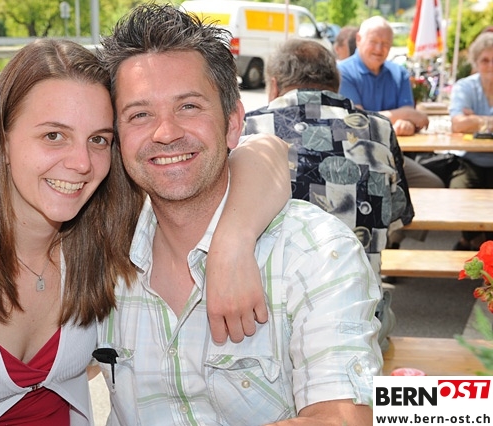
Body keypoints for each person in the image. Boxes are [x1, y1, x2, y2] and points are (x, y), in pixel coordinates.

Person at [0, 38, 291, 424]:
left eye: (99, 139)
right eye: (54, 135)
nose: (82, 163)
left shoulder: (107, 236)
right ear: (2, 139)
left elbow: (267, 151)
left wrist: (232, 242)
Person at [94, 4, 382, 425]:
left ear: (233, 124)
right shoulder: (96, 252)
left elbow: (342, 419)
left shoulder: (315, 254)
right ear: (117, 138)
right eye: (140, 114)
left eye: (189, 107)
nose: (166, 132)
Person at [243, 38, 415, 351]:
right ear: (336, 85)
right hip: (358, 326)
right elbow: (393, 218)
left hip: (265, 329)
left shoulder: (247, 129)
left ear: (274, 85)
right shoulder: (379, 129)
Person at [337, 16, 443, 249]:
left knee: (433, 184)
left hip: (392, 157)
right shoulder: (342, 72)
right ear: (359, 39)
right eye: (374, 42)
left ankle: (395, 240)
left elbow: (413, 119)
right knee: (379, 191)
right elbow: (358, 121)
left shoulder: (398, 73)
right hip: (356, 157)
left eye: (385, 44)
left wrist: (405, 121)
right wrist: (400, 115)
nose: (379, 48)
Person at [449, 32, 493, 250]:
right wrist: (488, 121)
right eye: (485, 60)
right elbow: (458, 124)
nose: (491, 65)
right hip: (470, 161)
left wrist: (475, 119)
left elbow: (466, 122)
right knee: (458, 191)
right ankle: (470, 239)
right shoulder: (465, 87)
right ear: (476, 62)